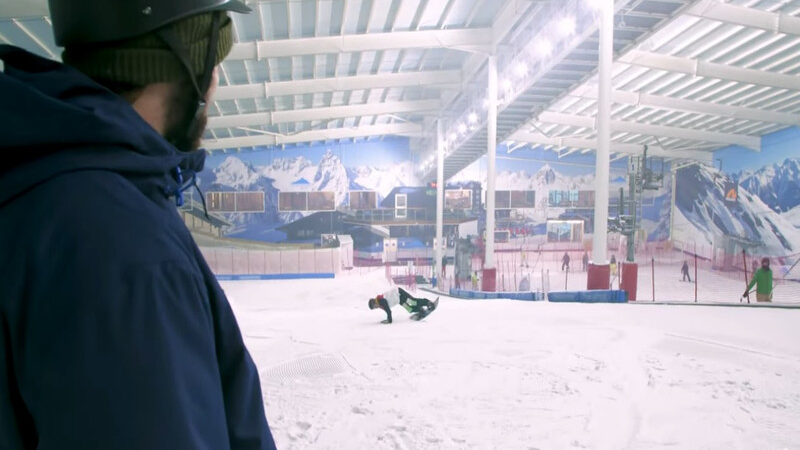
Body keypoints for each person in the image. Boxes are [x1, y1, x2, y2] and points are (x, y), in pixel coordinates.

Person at [0, 1, 277, 449]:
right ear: (182, 68)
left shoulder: (53, 189)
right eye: (214, 61)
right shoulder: (119, 247)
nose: (217, 82)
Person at [368, 287, 437, 324]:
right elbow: (387, 309)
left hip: (399, 293)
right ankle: (420, 310)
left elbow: (388, 311)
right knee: (409, 309)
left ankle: (428, 303)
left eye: (374, 307)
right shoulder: (379, 302)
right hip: (399, 300)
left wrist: (389, 320)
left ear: (374, 303)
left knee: (413, 302)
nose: (376, 308)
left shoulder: (381, 301)